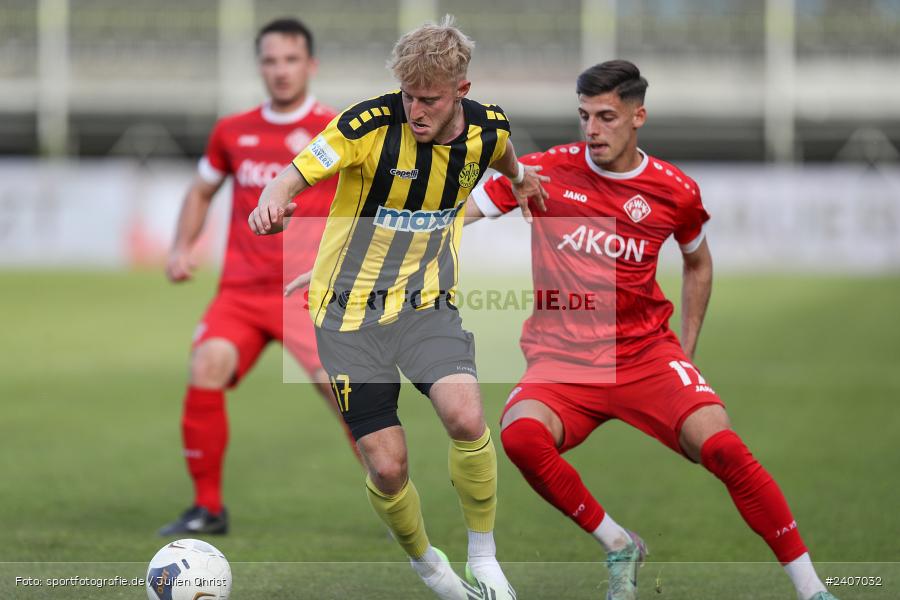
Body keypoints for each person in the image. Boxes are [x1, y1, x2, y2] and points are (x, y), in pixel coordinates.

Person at [466, 60, 838, 600]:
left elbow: (698, 262)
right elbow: (459, 212)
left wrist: (686, 350)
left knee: (726, 450)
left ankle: (813, 589)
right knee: (521, 437)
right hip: (564, 361)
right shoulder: (544, 171)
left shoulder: (673, 191)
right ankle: (618, 543)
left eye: (606, 117)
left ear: (637, 116)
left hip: (646, 355)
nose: (592, 129)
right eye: (584, 116)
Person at [249, 16, 547, 600]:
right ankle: (429, 567)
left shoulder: (488, 128)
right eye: (409, 95)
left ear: (461, 90)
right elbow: (289, 176)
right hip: (347, 318)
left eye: (429, 99)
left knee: (465, 416)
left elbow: (505, 153)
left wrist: (521, 177)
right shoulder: (365, 125)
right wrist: (271, 203)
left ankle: (484, 558)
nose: (416, 110)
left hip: (424, 304)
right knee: (387, 468)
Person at [159, 18, 357, 537]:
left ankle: (395, 501)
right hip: (241, 293)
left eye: (291, 59)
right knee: (206, 364)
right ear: (260, 67)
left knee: (348, 397)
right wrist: (181, 247)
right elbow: (201, 190)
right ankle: (207, 509)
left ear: (310, 65)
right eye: (270, 60)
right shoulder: (232, 130)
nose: (281, 70)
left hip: (309, 293)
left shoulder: (337, 132)